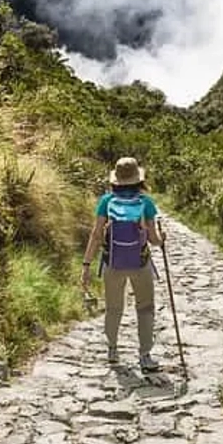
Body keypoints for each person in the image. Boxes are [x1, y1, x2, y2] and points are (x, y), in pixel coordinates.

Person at [81, 157, 165, 370]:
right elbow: (154, 240)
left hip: (113, 263)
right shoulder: (145, 202)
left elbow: (97, 235)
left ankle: (112, 350)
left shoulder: (106, 202)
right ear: (138, 179)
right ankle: (145, 355)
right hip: (140, 263)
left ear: (116, 179)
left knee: (113, 308)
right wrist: (162, 239)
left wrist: (86, 264)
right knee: (145, 308)